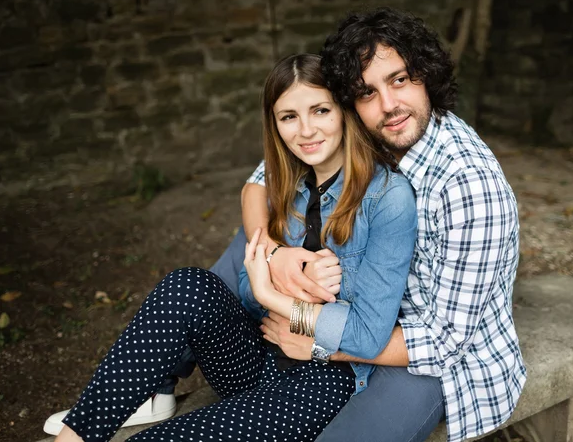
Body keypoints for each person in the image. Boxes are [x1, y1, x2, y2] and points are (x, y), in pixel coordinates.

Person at [48, 53, 418, 442]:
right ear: (275, 125)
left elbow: (368, 336)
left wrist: (272, 295)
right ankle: (74, 437)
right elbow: (245, 285)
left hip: (322, 382)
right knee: (187, 286)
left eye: (320, 110)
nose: (306, 130)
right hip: (259, 362)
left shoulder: (387, 199)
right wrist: (273, 276)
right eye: (289, 117)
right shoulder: (287, 183)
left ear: (343, 112)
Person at [241, 7, 527, 442]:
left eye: (399, 79)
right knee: (228, 260)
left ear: (426, 74)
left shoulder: (468, 188)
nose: (388, 105)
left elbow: (444, 343)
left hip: (431, 363)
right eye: (367, 92)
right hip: (362, 310)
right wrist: (278, 256)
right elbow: (263, 179)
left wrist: (320, 343)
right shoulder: (366, 127)